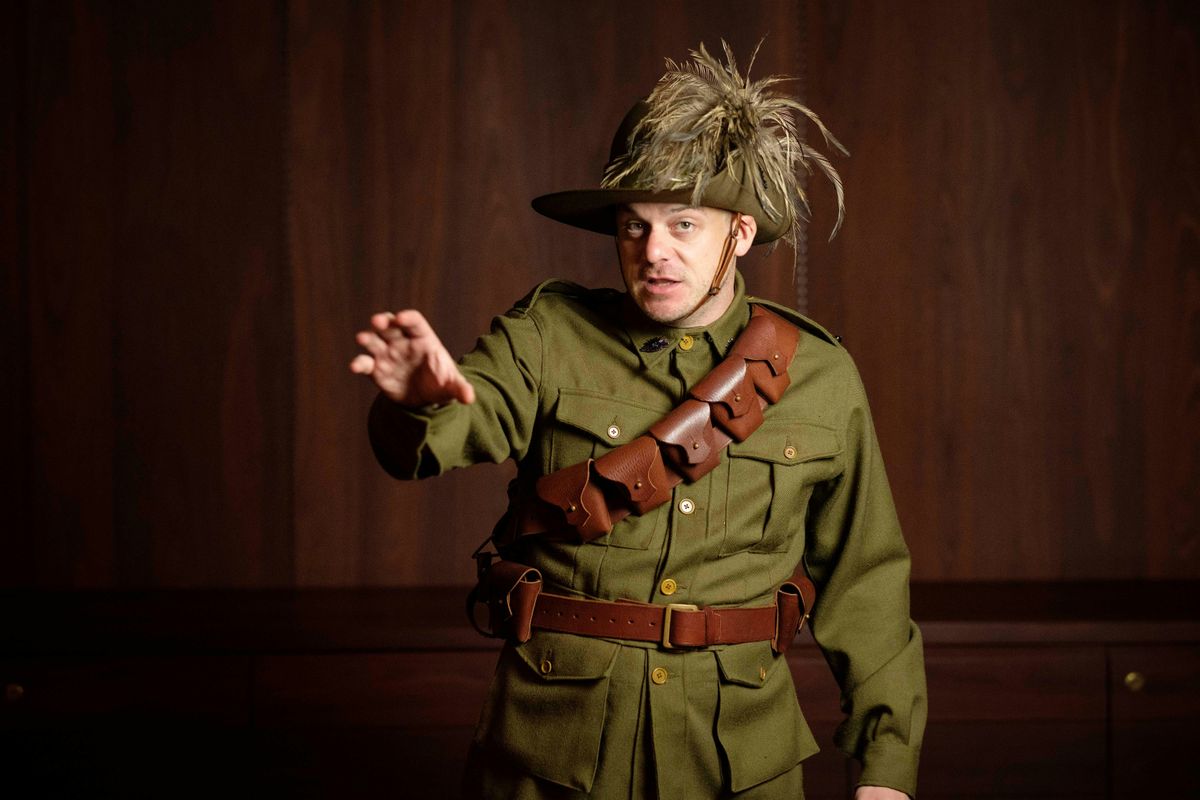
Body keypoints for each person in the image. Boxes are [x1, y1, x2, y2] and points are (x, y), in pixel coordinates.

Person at [351, 42, 926, 800]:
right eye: (634, 226)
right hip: (554, 758)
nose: (653, 252)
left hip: (737, 762)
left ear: (739, 234)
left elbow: (865, 581)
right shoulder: (548, 335)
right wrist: (418, 401)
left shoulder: (821, 378)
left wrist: (887, 768)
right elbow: (458, 425)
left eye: (683, 224)